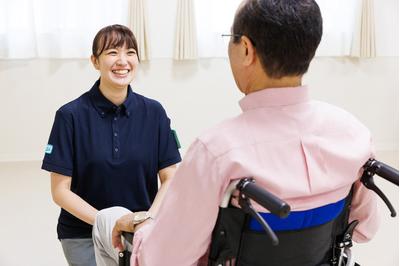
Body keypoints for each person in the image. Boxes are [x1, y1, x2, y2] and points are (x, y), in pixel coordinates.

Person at [94, 1, 380, 265]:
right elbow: (365, 230)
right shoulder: (353, 134)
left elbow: (161, 261)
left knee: (109, 220)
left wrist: (144, 228)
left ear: (246, 49)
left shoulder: (217, 151)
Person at [41, 24, 181, 266]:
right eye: (112, 52)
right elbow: (60, 191)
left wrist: (146, 221)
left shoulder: (154, 113)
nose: (122, 61)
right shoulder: (70, 116)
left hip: (139, 232)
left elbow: (170, 177)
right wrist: (111, 223)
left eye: (130, 52)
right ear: (95, 61)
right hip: (83, 234)